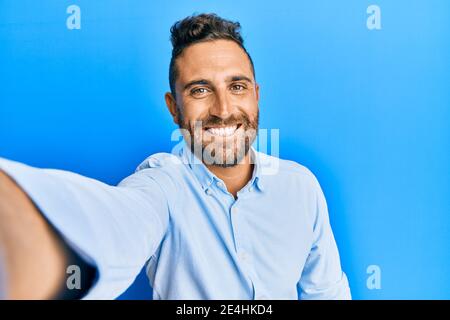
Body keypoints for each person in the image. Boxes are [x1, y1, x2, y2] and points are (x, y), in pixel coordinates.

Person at [0, 13, 351, 300]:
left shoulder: (301, 187)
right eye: (200, 90)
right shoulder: (160, 185)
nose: (224, 110)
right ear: (173, 107)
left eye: (237, 87)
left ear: (256, 96)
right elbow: (115, 224)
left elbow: (327, 294)